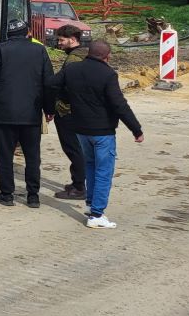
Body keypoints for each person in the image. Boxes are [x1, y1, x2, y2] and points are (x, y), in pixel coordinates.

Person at [51, 41, 144, 229]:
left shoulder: (72, 69)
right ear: (107, 56)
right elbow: (119, 105)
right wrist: (136, 129)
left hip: (81, 129)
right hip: (102, 131)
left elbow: (52, 84)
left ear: (89, 53)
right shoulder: (108, 74)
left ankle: (91, 205)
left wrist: (66, 99)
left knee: (91, 167)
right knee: (104, 172)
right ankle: (96, 215)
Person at [0, 18, 54, 208]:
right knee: (32, 156)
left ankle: (7, 194)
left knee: (5, 155)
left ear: (7, 34)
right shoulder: (39, 50)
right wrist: (49, 108)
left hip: (5, 113)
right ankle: (33, 196)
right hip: (31, 113)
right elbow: (48, 82)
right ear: (28, 32)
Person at [48, 24, 88, 200]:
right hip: (81, 110)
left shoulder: (73, 60)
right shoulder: (85, 54)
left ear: (73, 39)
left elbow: (64, 84)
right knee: (78, 148)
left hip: (68, 111)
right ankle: (78, 181)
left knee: (73, 149)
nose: (59, 43)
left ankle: (79, 187)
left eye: (62, 40)